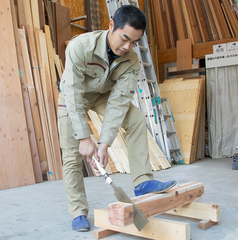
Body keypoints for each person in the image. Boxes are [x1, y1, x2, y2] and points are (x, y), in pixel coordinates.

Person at [57, 5, 176, 232]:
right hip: (72, 98)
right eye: (124, 39)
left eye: (134, 42)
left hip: (103, 96)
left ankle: (142, 182)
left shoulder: (131, 61)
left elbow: (119, 102)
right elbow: (71, 92)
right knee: (72, 156)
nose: (127, 47)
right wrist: (84, 137)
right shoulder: (80, 47)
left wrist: (104, 144)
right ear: (111, 25)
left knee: (136, 118)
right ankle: (78, 212)